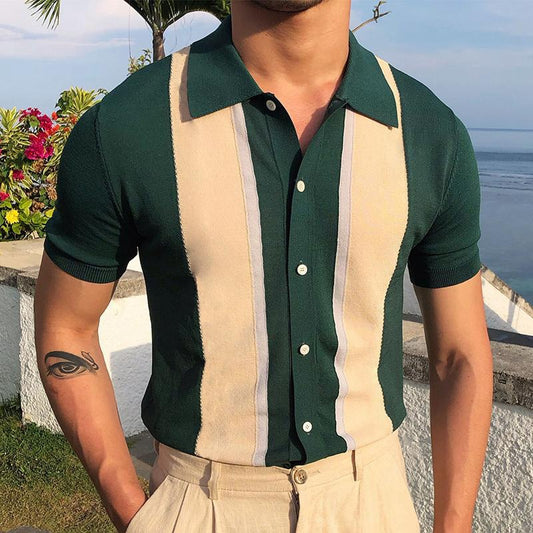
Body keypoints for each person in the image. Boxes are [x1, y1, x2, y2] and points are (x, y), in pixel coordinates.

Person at [34, 0, 493, 532]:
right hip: (199, 506)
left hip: (374, 505)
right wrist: (134, 513)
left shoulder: (430, 134)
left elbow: (459, 355)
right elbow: (66, 325)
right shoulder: (128, 126)